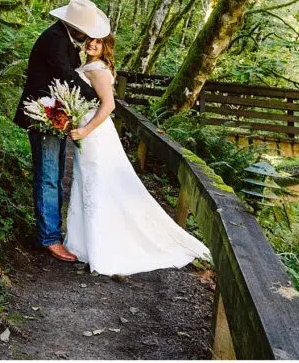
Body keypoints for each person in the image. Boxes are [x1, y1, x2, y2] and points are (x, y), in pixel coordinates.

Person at [64, 33, 211, 276]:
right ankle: (83, 242)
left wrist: (84, 130)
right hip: (87, 128)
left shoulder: (98, 70)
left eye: (99, 42)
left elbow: (109, 105)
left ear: (106, 47)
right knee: (86, 182)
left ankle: (100, 246)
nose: (92, 44)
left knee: (96, 183)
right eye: (91, 39)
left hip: (94, 133)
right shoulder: (88, 66)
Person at [14, 0, 107, 262]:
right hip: (43, 116)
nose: (88, 36)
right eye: (86, 31)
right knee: (47, 176)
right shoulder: (54, 40)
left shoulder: (64, 38)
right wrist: (98, 97)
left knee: (55, 175)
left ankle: (52, 231)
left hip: (57, 116)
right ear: (76, 26)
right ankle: (49, 238)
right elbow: (68, 77)